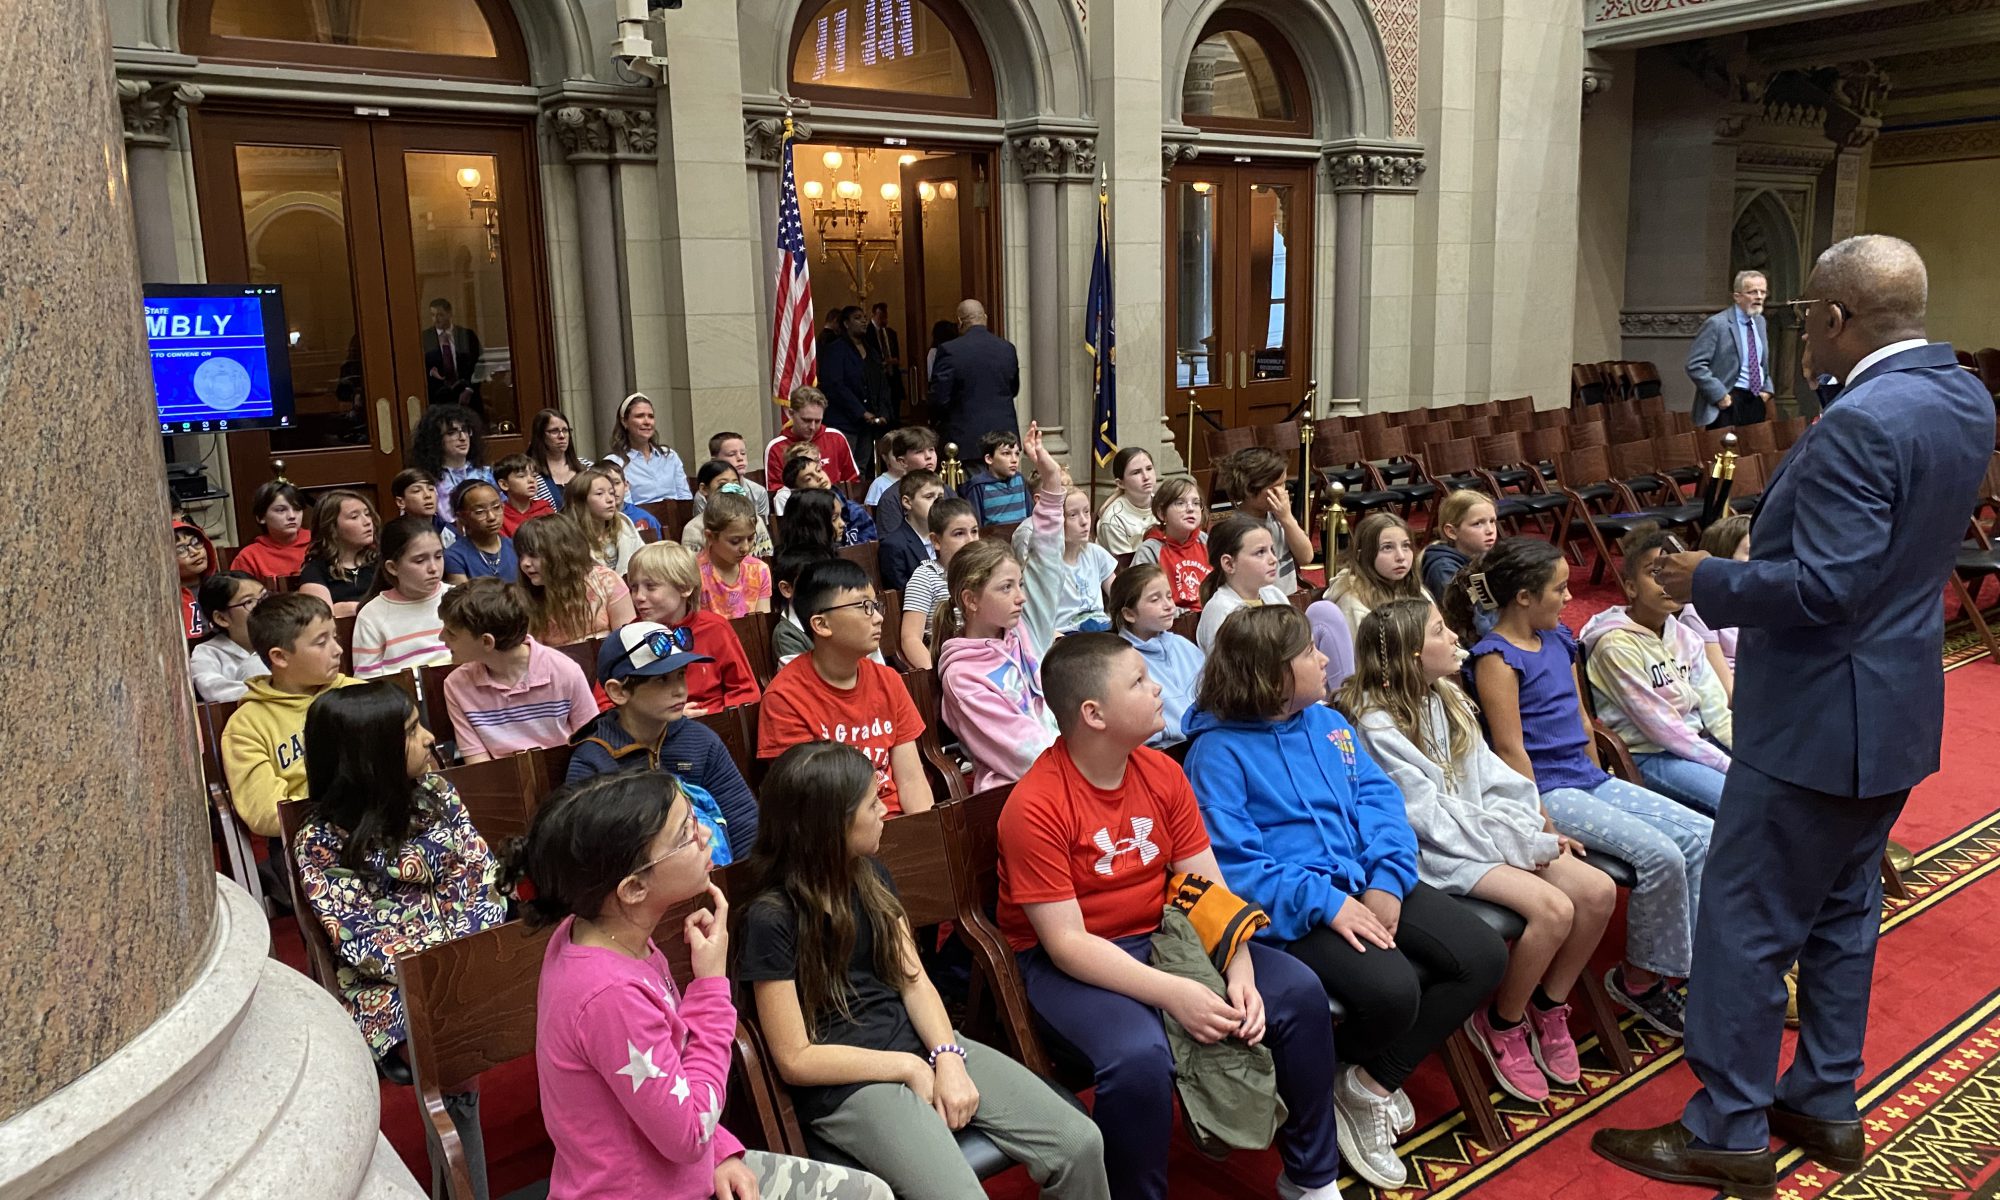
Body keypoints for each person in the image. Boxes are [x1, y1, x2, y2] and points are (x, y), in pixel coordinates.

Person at [1596, 235, 1997, 1194]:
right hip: (1895, 710)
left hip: (1816, 720)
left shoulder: (1864, 421)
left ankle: (1727, 1127)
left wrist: (1713, 579)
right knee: (1844, 918)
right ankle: (1823, 1103)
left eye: (1803, 321)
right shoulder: (1964, 396)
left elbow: (1828, 586)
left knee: (1743, 926)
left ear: (1831, 318)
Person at [999, 633, 1344, 1200]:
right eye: (1137, 681)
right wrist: (1174, 993)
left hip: (1169, 933)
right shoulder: (1035, 805)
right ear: (1094, 714)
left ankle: (1312, 1179)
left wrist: (1239, 970)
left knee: (1299, 992)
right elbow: (1066, 944)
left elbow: (1206, 886)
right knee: (1138, 1057)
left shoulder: (1161, 772)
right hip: (1076, 960)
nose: (1157, 685)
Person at [1184, 605, 1506, 1190]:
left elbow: (1381, 803)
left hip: (1364, 878)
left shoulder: (1329, 722)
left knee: (1481, 955)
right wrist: (1329, 905)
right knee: (1392, 991)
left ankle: (1362, 1084)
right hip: (1293, 910)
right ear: (1274, 675)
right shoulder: (1217, 753)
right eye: (1310, 652)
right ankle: (1345, 1078)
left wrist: (1386, 878)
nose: (1326, 658)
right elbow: (1235, 869)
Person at [739, 741, 1109, 1200]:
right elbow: (794, 1058)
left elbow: (913, 981)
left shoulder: (870, 874)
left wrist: (947, 1056)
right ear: (830, 825)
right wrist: (909, 1068)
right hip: (848, 1085)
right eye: (871, 804)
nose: (883, 811)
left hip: (916, 1044)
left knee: (1078, 1144)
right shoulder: (770, 917)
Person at [520, 771, 892, 1200]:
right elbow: (689, 1130)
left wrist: (720, 1152)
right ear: (634, 888)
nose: (705, 832)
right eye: (685, 833)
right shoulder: (610, 994)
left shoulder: (599, 933)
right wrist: (713, 986)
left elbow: (673, 1083)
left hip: (683, 1169)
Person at [1338, 599, 1614, 1108]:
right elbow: (1426, 819)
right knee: (1554, 909)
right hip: (1437, 852)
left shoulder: (1444, 695)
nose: (1454, 638)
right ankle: (1502, 1022)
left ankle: (1548, 1006)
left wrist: (1533, 826)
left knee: (1596, 891)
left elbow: (1491, 776)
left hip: (1487, 835)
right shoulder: (1376, 726)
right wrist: (1520, 844)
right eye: (1441, 631)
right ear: (1411, 654)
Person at [1445, 537, 1709, 1040]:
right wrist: (1540, 821)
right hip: (1549, 790)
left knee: (1703, 835)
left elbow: (1583, 722)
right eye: (1559, 589)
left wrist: (1604, 778)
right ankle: (1641, 978)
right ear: (1524, 596)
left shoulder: (1560, 640)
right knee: (1660, 855)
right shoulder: (1495, 658)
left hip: (1588, 778)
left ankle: (1691, 964)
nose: (1570, 598)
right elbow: (1510, 751)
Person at [295, 681, 505, 1200]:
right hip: (397, 984)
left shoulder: (437, 794)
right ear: (371, 755)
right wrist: (448, 963)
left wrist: (469, 956)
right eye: (412, 731)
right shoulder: (320, 841)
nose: (431, 738)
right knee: (447, 1052)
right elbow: (364, 943)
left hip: (474, 954)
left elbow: (482, 880)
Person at [563, 622, 758, 862]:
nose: (680, 690)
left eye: (681, 675)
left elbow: (745, 829)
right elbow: (590, 857)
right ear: (618, 692)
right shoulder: (593, 761)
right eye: (662, 680)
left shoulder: (702, 742)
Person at [757, 559, 933, 816]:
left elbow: (912, 782)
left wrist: (926, 844)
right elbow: (809, 808)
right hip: (838, 838)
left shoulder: (888, 680)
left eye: (875, 605)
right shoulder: (784, 699)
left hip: (898, 825)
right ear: (821, 625)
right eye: (864, 607)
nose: (879, 617)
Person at [1579, 526, 1734, 816]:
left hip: (1696, 744)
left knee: (1771, 783)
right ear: (1631, 587)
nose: (1667, 583)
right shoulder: (1614, 645)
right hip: (1650, 755)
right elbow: (1662, 728)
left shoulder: (1686, 637)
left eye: (1673, 573)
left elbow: (1716, 710)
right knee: (1742, 799)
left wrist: (1747, 753)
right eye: (1655, 573)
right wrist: (1728, 765)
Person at [221, 592, 359, 837]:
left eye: (334, 637)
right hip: (310, 841)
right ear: (280, 657)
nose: (338, 649)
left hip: (383, 825)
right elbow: (266, 813)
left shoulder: (359, 693)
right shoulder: (247, 725)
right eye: (321, 642)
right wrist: (339, 817)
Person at [936, 539, 1057, 790]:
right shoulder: (962, 677)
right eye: (1006, 588)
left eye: (1020, 584)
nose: (1021, 597)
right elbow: (1020, 748)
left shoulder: (1021, 632)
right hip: (1019, 789)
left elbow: (1048, 566)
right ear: (971, 600)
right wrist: (1081, 763)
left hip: (1065, 765)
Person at [438, 577, 598, 765]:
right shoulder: (456, 685)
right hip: (503, 784)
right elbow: (479, 764)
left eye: (452, 633)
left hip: (569, 778)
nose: (441, 637)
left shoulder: (565, 672)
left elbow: (592, 743)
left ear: (487, 642)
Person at [625, 541, 761, 715]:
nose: (638, 597)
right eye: (633, 588)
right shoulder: (628, 636)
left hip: (713, 725)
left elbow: (746, 693)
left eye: (651, 587)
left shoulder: (715, 628)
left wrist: (714, 716)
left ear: (685, 588)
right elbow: (604, 704)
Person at [1017, 422, 1116, 648]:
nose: (1084, 521)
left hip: (1103, 634)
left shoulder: (1095, 553)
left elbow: (1121, 597)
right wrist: (1050, 475)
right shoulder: (1045, 560)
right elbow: (1032, 614)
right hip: (1065, 639)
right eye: (1073, 515)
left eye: (1086, 513)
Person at [1109, 565, 1202, 747]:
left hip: (1205, 739)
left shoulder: (1181, 644)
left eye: (1169, 596)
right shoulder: (1122, 660)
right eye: (1155, 600)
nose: (1169, 605)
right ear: (1129, 614)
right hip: (1168, 751)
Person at [350, 516, 451, 680]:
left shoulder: (458, 598)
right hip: (403, 699)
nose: (434, 568)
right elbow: (368, 679)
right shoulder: (372, 614)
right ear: (393, 567)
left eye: (438, 556)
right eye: (420, 560)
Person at [514, 515, 636, 646]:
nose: (525, 563)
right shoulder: (524, 598)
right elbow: (532, 656)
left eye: (533, 555)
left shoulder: (606, 580)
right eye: (521, 556)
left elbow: (628, 641)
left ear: (562, 552)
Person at [1215, 448, 1313, 597]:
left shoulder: (1279, 516)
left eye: (1283, 484)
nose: (1282, 493)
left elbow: (1306, 557)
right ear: (1250, 490)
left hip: (1287, 599)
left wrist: (1286, 519)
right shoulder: (1236, 528)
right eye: (1275, 487)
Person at [1685, 270, 1775, 430]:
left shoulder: (1760, 322)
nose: (1759, 297)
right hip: (1728, 401)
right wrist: (1720, 396)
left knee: (1752, 452)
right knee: (1724, 453)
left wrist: (1767, 390)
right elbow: (1695, 365)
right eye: (1753, 292)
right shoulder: (1717, 324)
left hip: (1755, 399)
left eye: (1763, 292)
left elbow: (1762, 362)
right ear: (1737, 296)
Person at [929, 299, 1020, 453]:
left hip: (966, 440)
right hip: (1005, 442)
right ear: (985, 317)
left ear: (959, 321)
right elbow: (1014, 389)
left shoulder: (950, 350)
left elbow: (940, 399)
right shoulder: (1007, 348)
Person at [898, 497, 979, 672]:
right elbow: (910, 638)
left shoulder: (986, 572)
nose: (970, 540)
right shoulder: (925, 576)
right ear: (936, 541)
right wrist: (936, 674)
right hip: (952, 666)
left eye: (974, 531)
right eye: (959, 534)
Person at [1677, 515, 1749, 702]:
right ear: (1725, 559)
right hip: (1742, 704)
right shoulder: (1697, 612)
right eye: (1750, 551)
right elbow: (1728, 692)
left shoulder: (1763, 599)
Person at [1194, 516, 1287, 654]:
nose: (1273, 559)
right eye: (1260, 552)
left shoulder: (1274, 595)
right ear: (1229, 564)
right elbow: (1227, 671)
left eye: (1271, 550)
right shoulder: (1220, 612)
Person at [1325, 512, 1425, 639]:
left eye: (1406, 546)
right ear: (1363, 555)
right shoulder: (1353, 604)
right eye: (1387, 547)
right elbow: (1362, 657)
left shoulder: (1416, 590)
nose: (1401, 557)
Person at [818, 306, 891, 461]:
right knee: (844, 468)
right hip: (843, 421)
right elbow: (835, 385)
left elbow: (882, 384)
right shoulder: (835, 350)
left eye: (864, 317)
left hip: (868, 424)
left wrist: (883, 412)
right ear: (846, 323)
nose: (864, 321)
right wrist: (860, 412)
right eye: (857, 318)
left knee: (862, 469)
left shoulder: (871, 351)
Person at [1130, 477, 1211, 610]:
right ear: (1162, 513)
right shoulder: (1151, 549)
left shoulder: (1205, 541)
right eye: (1180, 503)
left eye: (1196, 503)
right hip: (1172, 622)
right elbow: (1139, 597)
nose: (1191, 509)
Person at [298, 490, 380, 617]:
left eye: (367, 514)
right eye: (354, 517)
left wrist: (355, 608)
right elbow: (319, 618)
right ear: (332, 527)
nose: (367, 522)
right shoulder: (316, 570)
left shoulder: (382, 562)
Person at [191, 571, 268, 703]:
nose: (263, 607)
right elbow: (212, 688)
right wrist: (272, 691)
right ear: (221, 618)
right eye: (249, 602)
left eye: (264, 597)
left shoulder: (286, 637)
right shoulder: (207, 652)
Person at [409, 404, 492, 525]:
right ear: (436, 439)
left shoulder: (487, 474)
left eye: (465, 430)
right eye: (451, 432)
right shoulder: (427, 481)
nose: (462, 437)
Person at [601, 392, 691, 503]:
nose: (647, 422)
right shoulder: (614, 462)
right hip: (638, 519)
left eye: (651, 416)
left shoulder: (670, 456)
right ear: (624, 421)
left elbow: (685, 498)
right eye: (639, 416)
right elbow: (624, 508)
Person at [695, 492, 770, 619]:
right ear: (710, 537)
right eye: (735, 541)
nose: (745, 548)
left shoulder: (759, 570)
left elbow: (761, 624)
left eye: (751, 538)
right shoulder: (693, 573)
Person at [1420, 490, 1499, 610]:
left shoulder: (1488, 556)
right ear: (1451, 532)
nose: (1490, 530)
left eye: (1492, 521)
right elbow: (1462, 614)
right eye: (1477, 523)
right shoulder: (1443, 568)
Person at [765, 386, 861, 483]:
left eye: (818, 421)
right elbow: (775, 492)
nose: (812, 427)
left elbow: (852, 481)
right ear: (791, 414)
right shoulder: (776, 448)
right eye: (806, 420)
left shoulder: (836, 438)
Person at [683, 459, 773, 558]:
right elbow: (691, 569)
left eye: (735, 484)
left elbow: (766, 557)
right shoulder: (694, 529)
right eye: (722, 485)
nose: (731, 489)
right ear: (704, 489)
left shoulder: (755, 521)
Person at [564, 466, 645, 575]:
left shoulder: (625, 524)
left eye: (611, 493)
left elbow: (644, 562)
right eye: (599, 494)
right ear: (579, 502)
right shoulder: (567, 537)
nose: (610, 499)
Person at [229, 480, 313, 580]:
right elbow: (239, 594)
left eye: (297, 509)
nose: (292, 516)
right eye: (281, 510)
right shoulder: (249, 556)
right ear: (261, 517)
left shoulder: (319, 544)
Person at [879, 469, 946, 594]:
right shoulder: (894, 545)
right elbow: (902, 594)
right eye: (929, 497)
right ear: (907, 502)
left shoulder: (946, 537)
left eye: (940, 497)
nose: (938, 503)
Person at [770, 546, 838, 668]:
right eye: (810, 584)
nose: (821, 591)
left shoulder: (841, 612)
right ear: (787, 589)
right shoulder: (786, 635)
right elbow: (801, 681)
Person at [442, 480, 519, 584]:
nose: (491, 517)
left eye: (496, 507)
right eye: (479, 512)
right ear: (461, 517)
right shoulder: (454, 557)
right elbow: (464, 598)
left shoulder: (516, 547)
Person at [867, 426, 939, 524]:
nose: (928, 456)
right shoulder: (890, 497)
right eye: (919, 451)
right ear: (902, 461)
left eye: (931, 450)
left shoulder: (944, 489)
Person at [422, 298, 483, 411]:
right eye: (433, 315)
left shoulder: (466, 335)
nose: (436, 319)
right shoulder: (425, 338)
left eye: (440, 315)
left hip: (467, 396)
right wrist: (431, 372)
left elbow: (480, 364)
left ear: (449, 314)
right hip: (437, 399)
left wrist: (470, 389)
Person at [1096, 449, 1158, 555]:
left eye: (1149, 468)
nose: (1146, 477)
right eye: (1136, 472)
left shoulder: (1166, 506)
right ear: (1120, 483)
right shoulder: (1114, 520)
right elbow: (1126, 569)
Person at [963, 430, 1031, 527]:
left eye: (1016, 454)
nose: (1014, 460)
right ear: (989, 459)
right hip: (993, 540)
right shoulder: (979, 485)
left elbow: (1030, 515)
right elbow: (976, 524)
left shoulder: (1019, 480)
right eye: (1006, 453)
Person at [707, 431, 774, 523]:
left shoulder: (759, 492)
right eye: (731, 454)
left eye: (743, 453)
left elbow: (762, 529)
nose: (740, 458)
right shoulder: (706, 493)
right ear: (715, 460)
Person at [528, 407, 588, 509]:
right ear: (541, 435)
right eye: (554, 431)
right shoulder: (531, 474)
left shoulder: (587, 467)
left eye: (565, 430)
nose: (562, 436)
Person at [392, 468, 458, 551]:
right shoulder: (396, 535)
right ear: (400, 502)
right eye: (417, 491)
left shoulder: (450, 532)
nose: (427, 495)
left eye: (431, 489)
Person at [596, 460, 663, 538]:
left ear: (626, 485)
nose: (612, 489)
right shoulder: (589, 521)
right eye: (603, 486)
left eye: (616, 483)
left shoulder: (644, 518)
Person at [497, 453, 558, 537]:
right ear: (504, 484)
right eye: (521, 476)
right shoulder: (499, 516)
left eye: (534, 476)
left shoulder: (546, 511)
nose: (531, 480)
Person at [868, 301, 907, 417]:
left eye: (885, 316)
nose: (883, 319)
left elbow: (896, 355)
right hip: (878, 377)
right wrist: (883, 362)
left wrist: (894, 361)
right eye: (880, 316)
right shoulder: (867, 333)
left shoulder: (891, 333)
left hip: (892, 376)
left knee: (895, 409)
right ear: (874, 315)